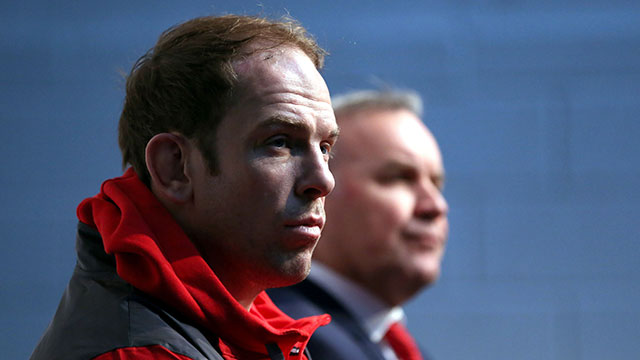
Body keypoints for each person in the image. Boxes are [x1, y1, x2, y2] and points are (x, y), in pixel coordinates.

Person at [31, 14, 339, 360]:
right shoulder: (141, 354)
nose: (323, 181)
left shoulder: (242, 325)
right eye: (280, 142)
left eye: (325, 147)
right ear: (174, 167)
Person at [268, 89, 449, 360]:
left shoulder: (401, 349)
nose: (435, 206)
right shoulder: (282, 336)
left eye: (436, 184)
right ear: (320, 187)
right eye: (399, 178)